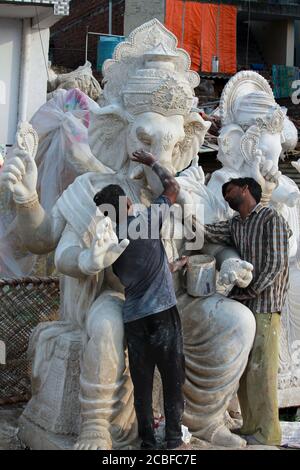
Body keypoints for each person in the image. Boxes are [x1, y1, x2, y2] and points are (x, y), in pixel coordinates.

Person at [93, 149, 188, 451]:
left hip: (133, 318)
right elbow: (173, 188)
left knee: (143, 384)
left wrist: (173, 266)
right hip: (162, 314)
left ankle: (147, 440)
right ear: (128, 203)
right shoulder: (147, 219)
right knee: (173, 378)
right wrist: (152, 163)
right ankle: (173, 439)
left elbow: (140, 270)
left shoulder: (113, 243)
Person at [202, 177, 291, 446]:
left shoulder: (270, 218)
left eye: (228, 191)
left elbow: (276, 263)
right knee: (244, 369)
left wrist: (252, 289)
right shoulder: (235, 224)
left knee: (262, 370)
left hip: (265, 304)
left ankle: (268, 432)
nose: (225, 197)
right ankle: (250, 425)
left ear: (245, 189)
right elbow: (205, 232)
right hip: (244, 304)